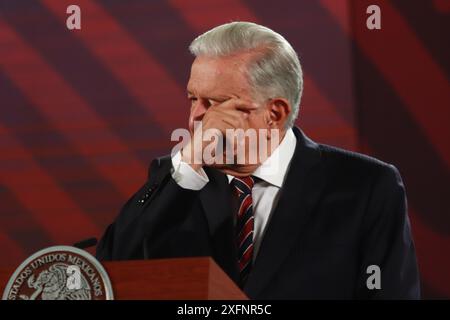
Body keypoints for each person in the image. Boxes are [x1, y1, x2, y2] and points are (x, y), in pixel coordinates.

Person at [96, 22, 420, 299]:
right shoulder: (177, 177)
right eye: (193, 99)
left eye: (215, 103)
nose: (195, 117)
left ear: (274, 113)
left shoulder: (367, 187)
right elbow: (112, 269)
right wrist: (186, 166)